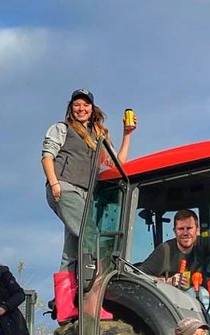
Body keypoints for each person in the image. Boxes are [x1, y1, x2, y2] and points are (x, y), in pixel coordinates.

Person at [42, 88, 136, 321]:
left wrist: (127, 135)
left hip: (86, 196)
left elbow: (117, 164)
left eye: (85, 105)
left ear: (92, 109)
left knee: (72, 248)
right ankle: (93, 302)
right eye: (77, 104)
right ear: (71, 108)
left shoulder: (97, 136)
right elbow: (47, 156)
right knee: (93, 238)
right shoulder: (62, 128)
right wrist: (54, 184)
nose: (81, 108)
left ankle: (65, 307)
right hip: (65, 188)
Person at [139, 210, 210, 335]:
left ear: (197, 230)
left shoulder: (201, 244)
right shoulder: (165, 251)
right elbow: (140, 275)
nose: (185, 233)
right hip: (176, 305)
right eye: (180, 229)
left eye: (189, 228)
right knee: (201, 293)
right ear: (174, 231)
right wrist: (168, 281)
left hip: (204, 302)